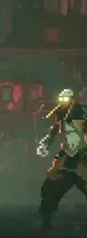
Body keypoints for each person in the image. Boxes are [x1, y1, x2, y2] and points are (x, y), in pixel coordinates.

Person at [36, 88, 87, 230]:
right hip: (68, 154)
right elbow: (56, 128)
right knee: (51, 187)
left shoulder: (82, 111)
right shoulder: (62, 113)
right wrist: (46, 142)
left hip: (83, 153)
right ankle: (46, 220)